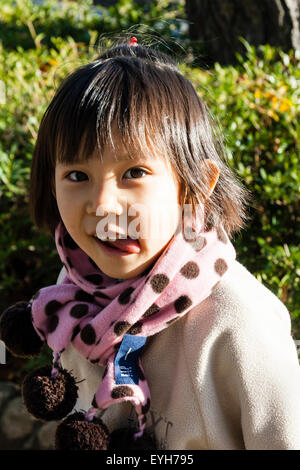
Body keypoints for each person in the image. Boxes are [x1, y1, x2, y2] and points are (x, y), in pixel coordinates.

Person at [1, 37, 300, 451]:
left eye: (134, 172)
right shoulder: (77, 284)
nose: (104, 205)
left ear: (196, 185)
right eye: (76, 176)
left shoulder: (239, 326)